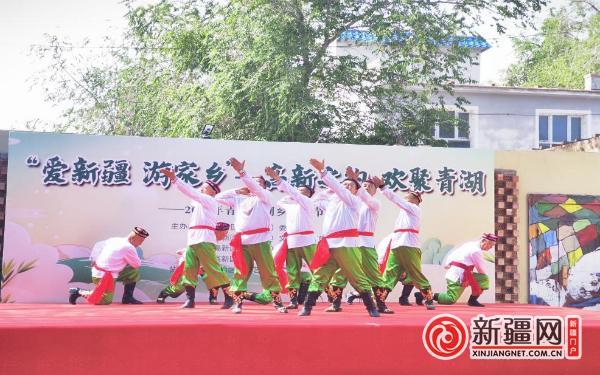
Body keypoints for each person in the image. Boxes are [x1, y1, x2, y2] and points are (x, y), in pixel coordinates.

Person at [298, 160, 380, 317]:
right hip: (328, 244)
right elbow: (315, 200)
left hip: (346, 244)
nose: (347, 187)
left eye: (351, 185)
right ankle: (307, 306)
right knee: (320, 275)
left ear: (356, 190)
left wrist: (323, 172)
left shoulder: (353, 201)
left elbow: (341, 191)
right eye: (345, 184)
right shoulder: (331, 203)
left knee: (357, 276)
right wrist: (330, 190)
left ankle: (371, 307)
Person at [216, 157, 287, 314]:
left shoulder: (265, 197)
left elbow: (256, 188)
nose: (252, 185)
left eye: (257, 183)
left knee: (268, 273)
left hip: (261, 240)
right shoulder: (240, 199)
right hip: (242, 241)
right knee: (240, 273)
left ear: (263, 186)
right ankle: (238, 304)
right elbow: (218, 198)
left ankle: (277, 303)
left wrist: (242, 173)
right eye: (251, 182)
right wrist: (237, 191)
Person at [155, 169, 234, 309]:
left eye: (205, 186)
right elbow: (191, 195)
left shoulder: (209, 200)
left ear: (212, 191)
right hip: (193, 240)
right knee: (189, 270)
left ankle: (230, 297)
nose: (202, 187)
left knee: (213, 269)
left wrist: (175, 179)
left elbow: (191, 192)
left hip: (204, 239)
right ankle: (190, 300)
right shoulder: (200, 202)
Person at [371, 175, 435, 310]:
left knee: (415, 273)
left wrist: (383, 187)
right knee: (389, 273)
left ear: (417, 200)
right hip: (397, 244)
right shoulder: (404, 211)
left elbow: (397, 200)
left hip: (409, 245)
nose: (407, 196)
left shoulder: (414, 209)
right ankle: (380, 300)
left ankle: (428, 297)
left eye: (410, 195)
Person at [265, 166, 317, 309]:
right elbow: (280, 202)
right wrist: (291, 196)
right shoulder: (292, 206)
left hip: (307, 240)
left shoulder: (308, 203)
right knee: (292, 271)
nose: (299, 193)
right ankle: (293, 301)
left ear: (309, 194)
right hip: (292, 240)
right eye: (298, 191)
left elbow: (295, 194)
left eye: (303, 191)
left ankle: (329, 298)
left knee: (317, 270)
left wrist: (278, 179)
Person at [157, 222, 233, 309]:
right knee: (178, 289)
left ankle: (216, 298)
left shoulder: (211, 240)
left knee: (214, 277)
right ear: (217, 231)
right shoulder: (204, 238)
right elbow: (188, 252)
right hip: (188, 263)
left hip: (202, 265)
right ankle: (164, 294)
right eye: (225, 233)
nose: (225, 236)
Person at [69, 227, 149, 305]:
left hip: (106, 271)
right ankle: (78, 291)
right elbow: (137, 264)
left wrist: (94, 258)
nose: (141, 243)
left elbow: (98, 244)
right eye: (141, 240)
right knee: (105, 300)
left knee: (133, 271)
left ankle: (128, 297)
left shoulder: (115, 240)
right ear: (134, 238)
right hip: (103, 276)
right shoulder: (129, 247)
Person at [434, 233, 496, 307]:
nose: (491, 247)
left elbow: (453, 254)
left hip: (461, 273)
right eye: (490, 245)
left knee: (483, 279)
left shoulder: (469, 244)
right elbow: (480, 269)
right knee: (450, 299)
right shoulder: (476, 251)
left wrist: (447, 264)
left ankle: (472, 301)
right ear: (484, 241)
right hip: (458, 276)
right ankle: (425, 295)